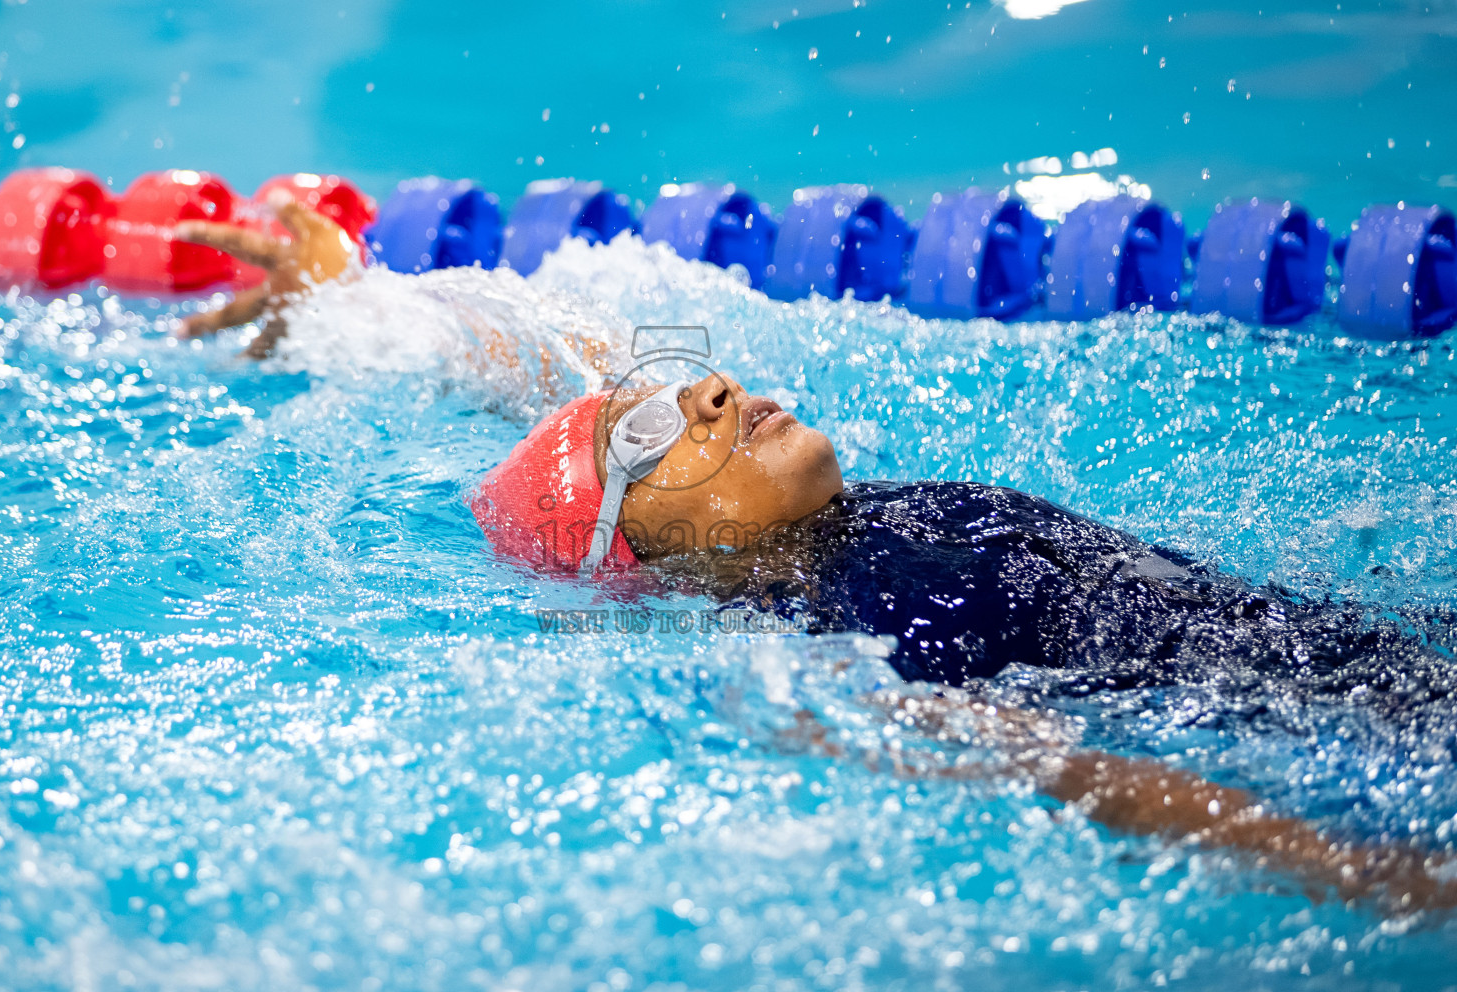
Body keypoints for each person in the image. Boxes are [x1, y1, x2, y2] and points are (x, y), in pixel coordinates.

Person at [173, 202, 1457, 913]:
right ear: (648, 551)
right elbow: (1070, 773)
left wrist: (356, 302)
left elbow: (553, 360)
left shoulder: (803, 523)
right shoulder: (798, 650)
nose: (713, 392)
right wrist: (1354, 868)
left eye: (690, 383)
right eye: (661, 430)